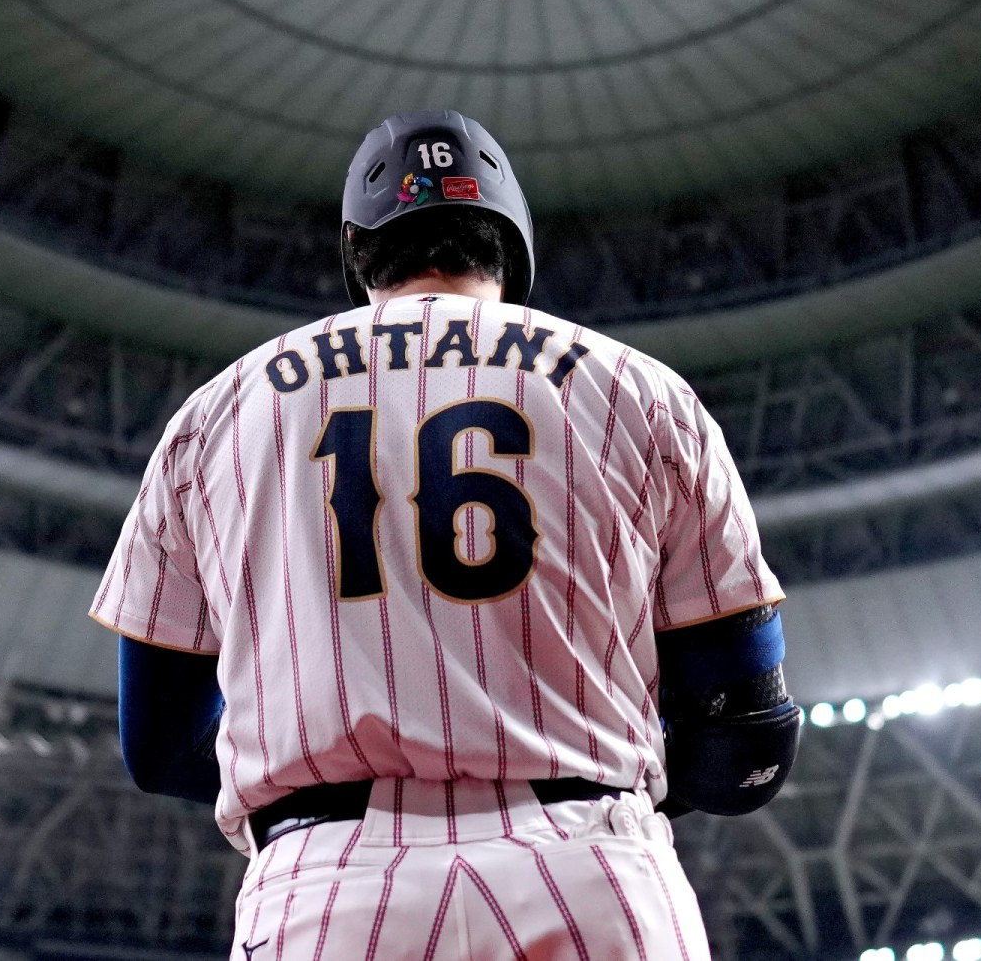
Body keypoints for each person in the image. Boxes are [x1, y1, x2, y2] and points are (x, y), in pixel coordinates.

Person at [90, 109, 800, 958]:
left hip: (328, 886)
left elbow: (159, 746)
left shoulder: (216, 415)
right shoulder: (641, 392)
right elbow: (748, 733)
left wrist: (334, 768)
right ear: (510, 241)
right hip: (589, 867)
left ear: (357, 248)